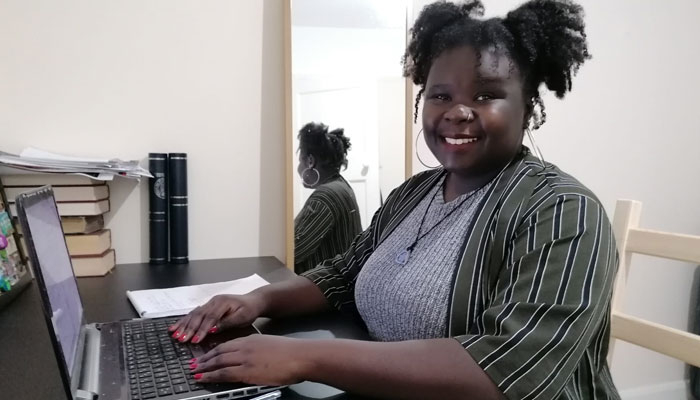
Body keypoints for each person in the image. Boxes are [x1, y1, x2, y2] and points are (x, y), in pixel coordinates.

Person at [169, 1, 620, 398]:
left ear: (527, 108)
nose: (457, 111)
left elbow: (508, 372)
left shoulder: (563, 212)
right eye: (440, 95)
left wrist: (306, 357)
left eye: (486, 95)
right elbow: (344, 275)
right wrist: (259, 300)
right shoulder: (413, 193)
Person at [293, 122, 363, 274]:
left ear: (310, 161)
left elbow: (292, 250)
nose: (298, 168)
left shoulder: (324, 197)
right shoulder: (342, 186)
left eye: (300, 161)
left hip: (326, 292)